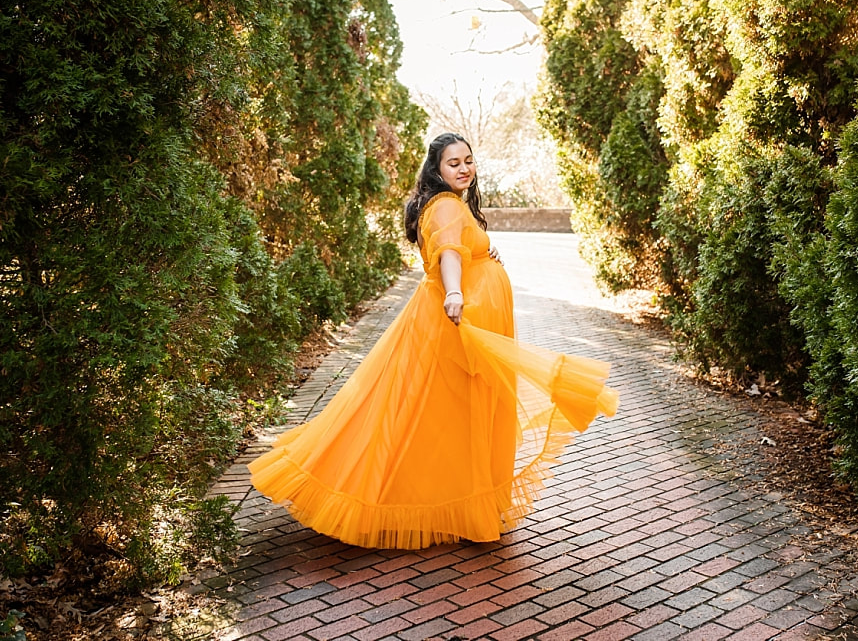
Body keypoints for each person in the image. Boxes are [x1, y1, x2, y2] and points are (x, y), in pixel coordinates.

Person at [248, 132, 618, 549]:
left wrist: (486, 254)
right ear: (436, 170)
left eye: (468, 161)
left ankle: (454, 502)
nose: (463, 168)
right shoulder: (444, 206)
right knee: (437, 413)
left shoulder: (452, 205)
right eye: (453, 163)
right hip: (453, 320)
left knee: (444, 414)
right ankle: (427, 501)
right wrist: (457, 291)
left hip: (458, 318)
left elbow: (461, 247)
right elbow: (448, 253)